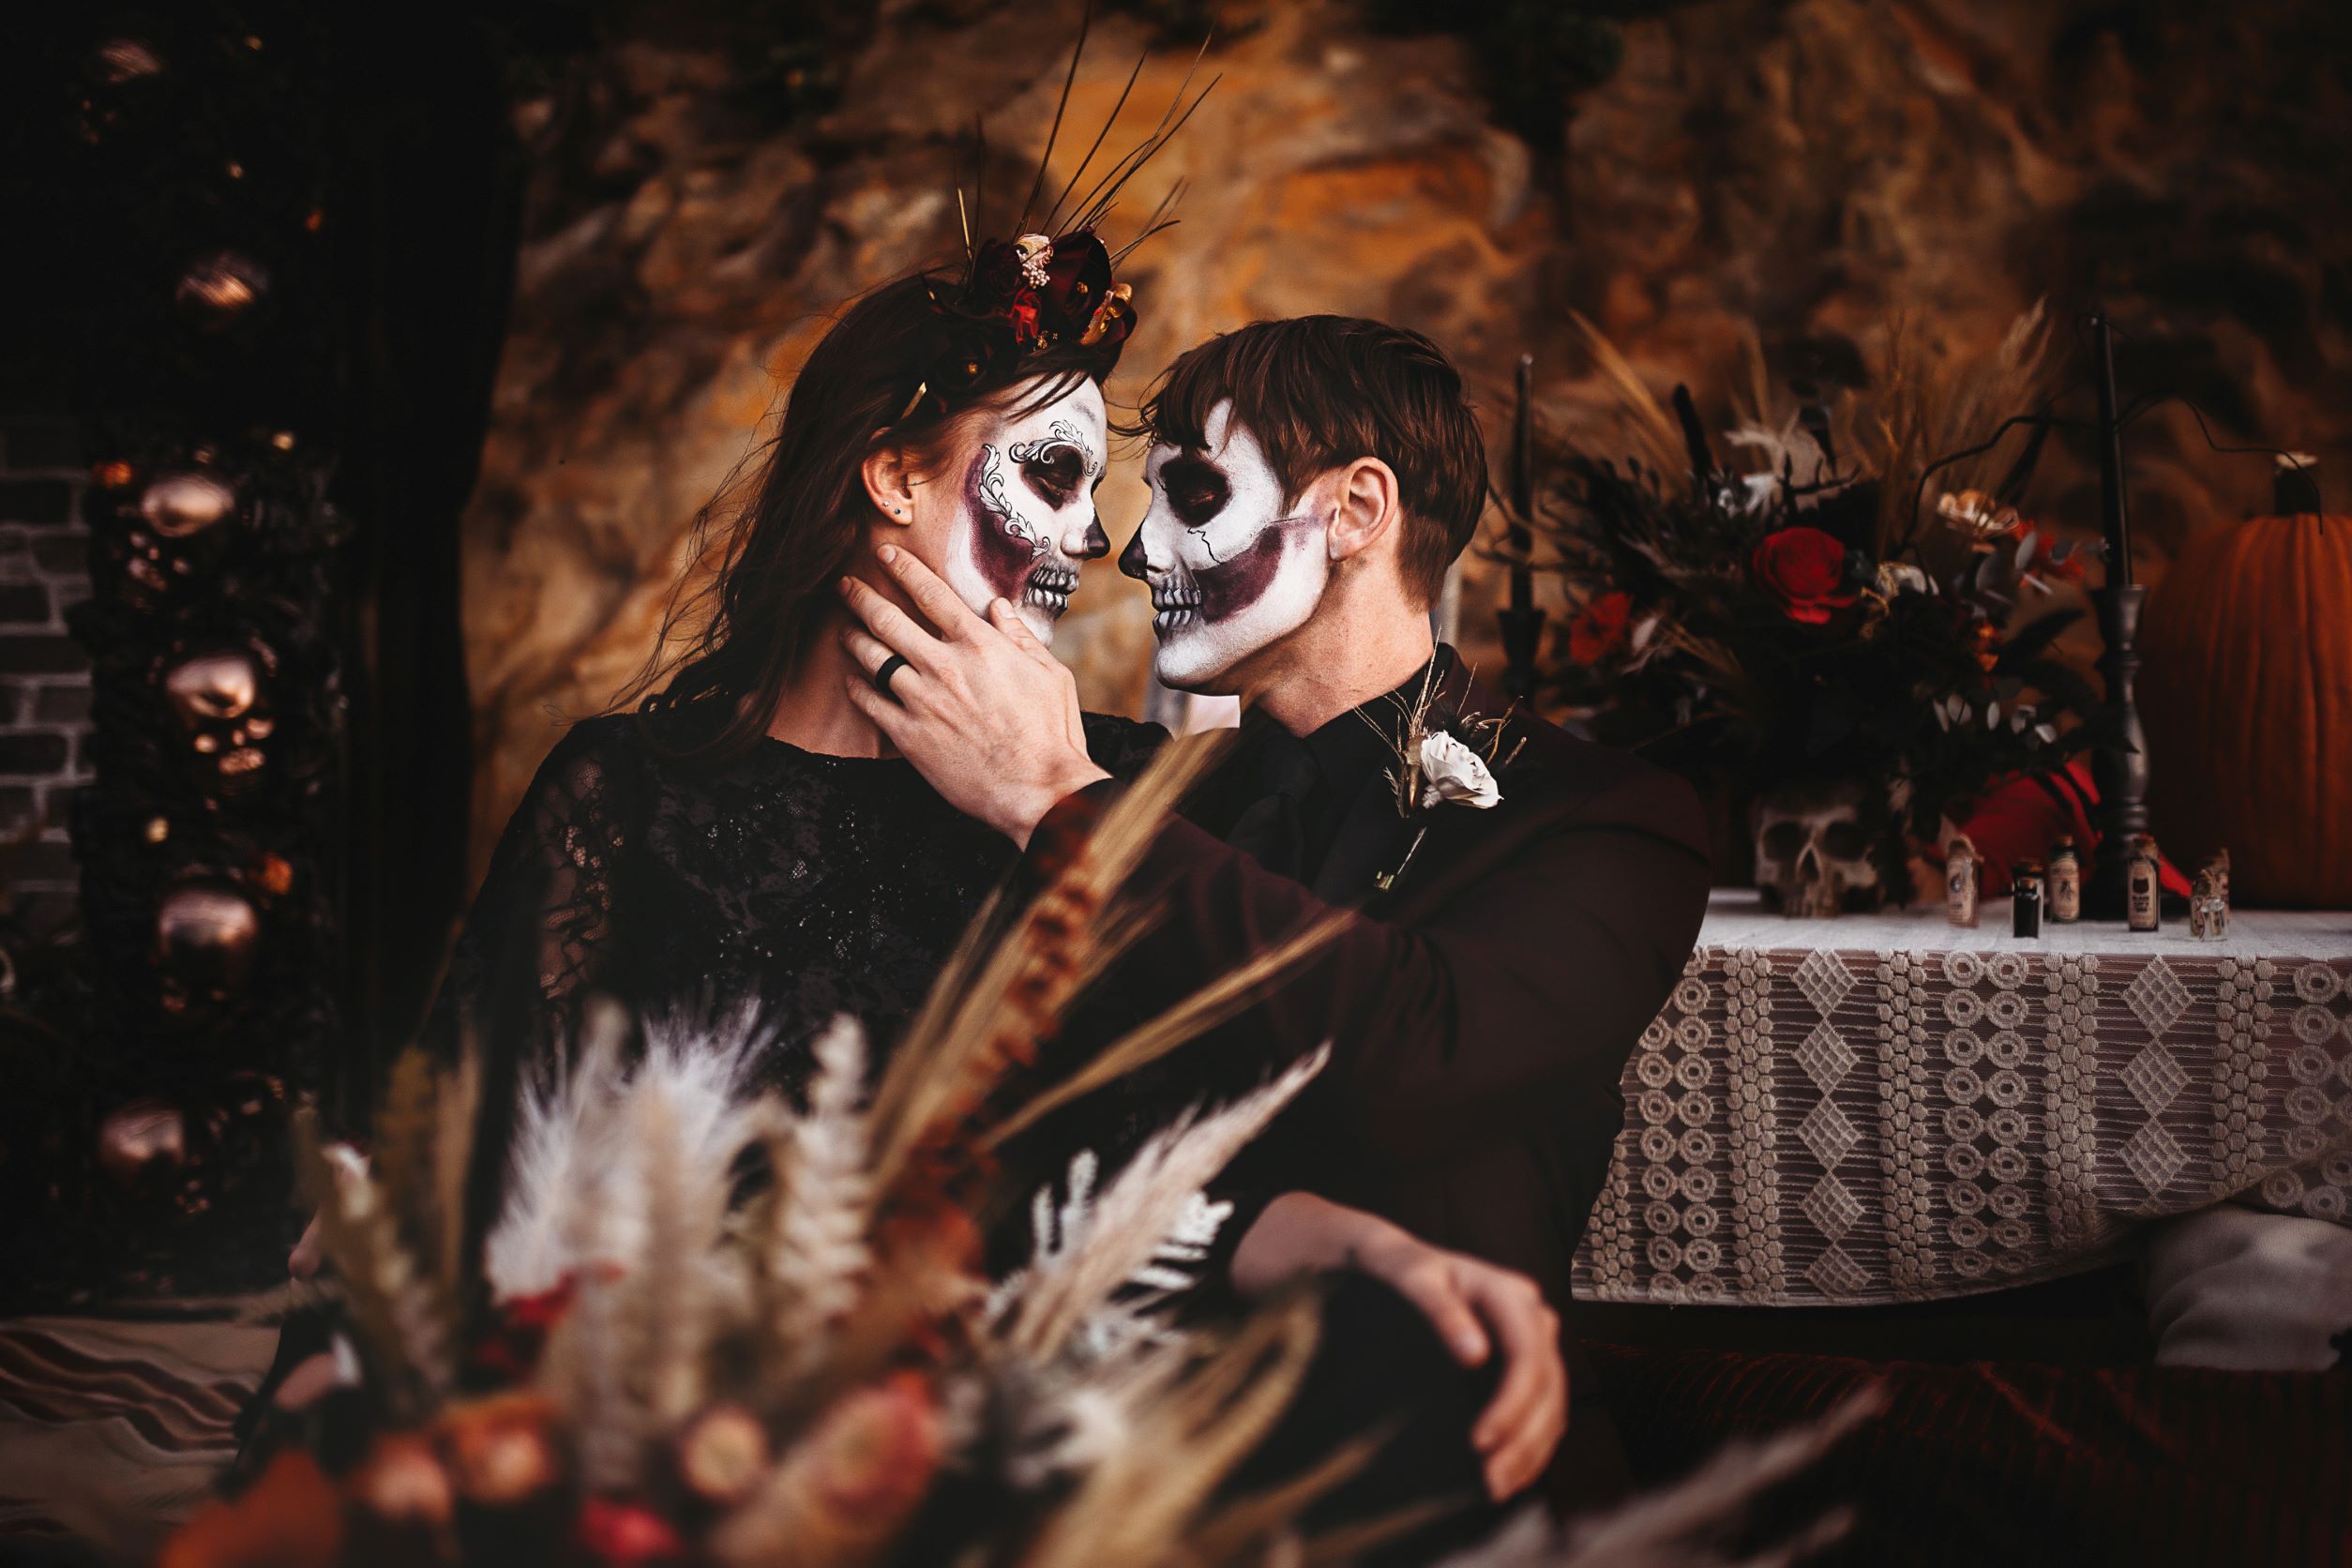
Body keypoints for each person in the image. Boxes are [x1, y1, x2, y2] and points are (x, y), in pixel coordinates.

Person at [254, 249, 1567, 1515]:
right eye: (1053, 473)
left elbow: (1152, 1170)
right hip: (681, 1415)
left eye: (1097, 490)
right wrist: (347, 1344)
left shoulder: (1097, 784)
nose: (1090, 539)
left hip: (1002, 1401)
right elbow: (457, 1143)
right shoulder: (631, 788)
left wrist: (1375, 1248)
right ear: (888, 474)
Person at [836, 313, 1715, 1526]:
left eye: (1192, 493)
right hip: (1094, 1465)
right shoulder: (1140, 789)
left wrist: (1058, 801)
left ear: (1357, 511)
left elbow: (1420, 1055)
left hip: (1422, 1485)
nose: (1139, 553)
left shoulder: (1609, 814)